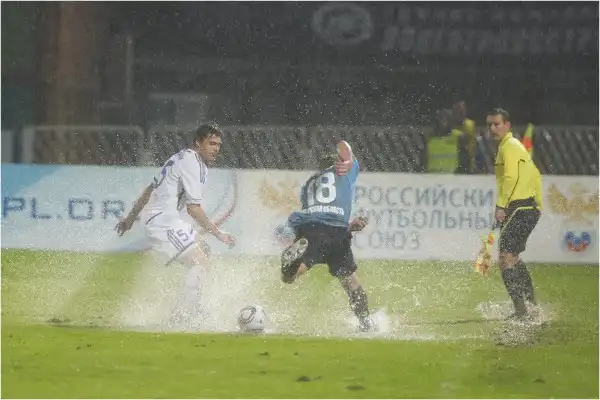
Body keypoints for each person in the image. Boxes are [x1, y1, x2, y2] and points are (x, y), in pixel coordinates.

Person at [115, 123, 235, 324]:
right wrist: (219, 234)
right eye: (211, 143)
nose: (216, 148)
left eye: (218, 145)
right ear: (198, 143)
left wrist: (129, 219)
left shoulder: (180, 157)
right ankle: (180, 315)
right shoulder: (193, 163)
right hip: (162, 222)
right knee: (200, 263)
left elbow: (149, 190)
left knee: (204, 250)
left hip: (165, 220)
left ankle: (191, 303)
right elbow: (193, 209)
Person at [279, 140, 374, 332]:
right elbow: (345, 147)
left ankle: (291, 267)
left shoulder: (308, 185)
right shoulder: (345, 173)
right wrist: (349, 161)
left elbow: (318, 211)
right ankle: (366, 325)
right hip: (337, 232)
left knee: (292, 276)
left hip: (313, 228)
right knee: (351, 282)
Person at [487, 108, 543, 321]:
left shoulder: (509, 146)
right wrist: (538, 203)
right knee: (513, 257)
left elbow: (511, 177)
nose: (492, 128)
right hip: (526, 208)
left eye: (497, 124)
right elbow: (535, 174)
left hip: (519, 208)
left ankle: (521, 312)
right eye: (490, 124)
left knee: (505, 259)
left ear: (507, 125)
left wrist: (501, 206)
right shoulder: (513, 146)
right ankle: (531, 306)